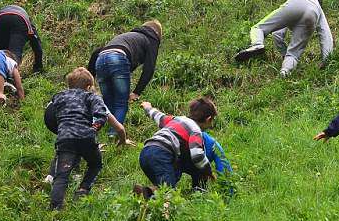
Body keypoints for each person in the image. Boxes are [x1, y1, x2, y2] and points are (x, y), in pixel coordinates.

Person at [44, 67, 128, 210]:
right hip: (86, 138)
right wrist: (93, 129)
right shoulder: (92, 97)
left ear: (69, 85)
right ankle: (83, 190)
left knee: (62, 176)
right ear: (89, 87)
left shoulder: (59, 96)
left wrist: (62, 127)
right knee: (95, 164)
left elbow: (51, 114)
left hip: (65, 138)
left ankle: (55, 209)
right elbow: (101, 115)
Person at [234, 0, 334, 76]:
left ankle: (257, 44)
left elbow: (277, 34)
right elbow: (326, 35)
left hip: (297, 2)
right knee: (293, 54)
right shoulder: (319, 10)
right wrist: (326, 60)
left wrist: (282, 52)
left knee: (258, 28)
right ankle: (285, 73)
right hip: (313, 13)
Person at [86, 20, 162, 131]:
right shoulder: (152, 38)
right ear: (157, 32)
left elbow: (97, 52)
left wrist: (89, 80)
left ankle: (90, 133)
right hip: (118, 59)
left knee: (108, 103)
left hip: (101, 59)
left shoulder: (130, 36)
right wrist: (137, 92)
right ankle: (114, 135)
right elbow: (149, 68)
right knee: (121, 103)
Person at [135, 97, 215, 196]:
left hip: (146, 152)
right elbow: (197, 155)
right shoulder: (195, 130)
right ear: (208, 119)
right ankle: (164, 206)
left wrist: (148, 107)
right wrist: (208, 171)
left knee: (166, 183)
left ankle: (146, 192)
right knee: (168, 193)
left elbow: (158, 116)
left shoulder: (177, 119)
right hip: (162, 154)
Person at [0, 4, 44, 73]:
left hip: (2, 18)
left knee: (2, 52)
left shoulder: (6, 14)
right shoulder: (28, 23)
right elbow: (37, 45)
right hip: (19, 19)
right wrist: (38, 66)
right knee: (15, 54)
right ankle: (10, 78)